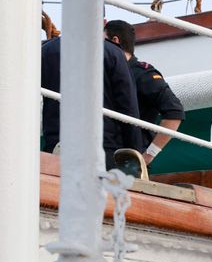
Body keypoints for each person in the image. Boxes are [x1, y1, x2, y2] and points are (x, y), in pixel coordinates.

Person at [40, 34, 145, 170]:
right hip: (103, 148)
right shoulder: (112, 52)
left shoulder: (46, 51)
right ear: (103, 21)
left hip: (57, 146)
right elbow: (128, 106)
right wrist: (134, 152)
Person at [103, 20, 186, 167]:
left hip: (128, 163)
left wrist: (147, 156)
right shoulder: (104, 74)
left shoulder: (143, 74)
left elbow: (174, 112)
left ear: (115, 41)